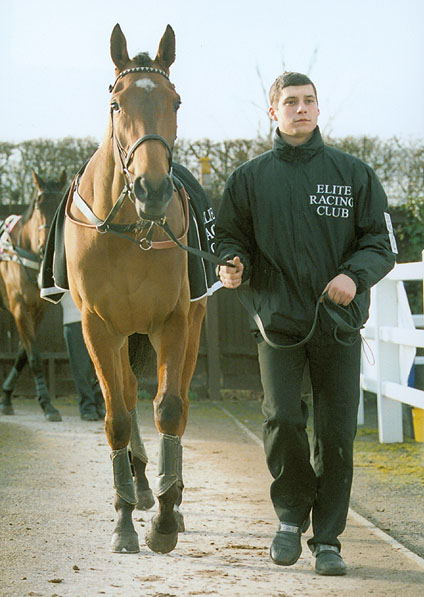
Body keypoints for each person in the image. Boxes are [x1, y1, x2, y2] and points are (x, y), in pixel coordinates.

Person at [215, 71, 397, 576]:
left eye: (309, 100)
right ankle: (291, 519)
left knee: (336, 433)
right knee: (283, 419)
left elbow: (381, 244)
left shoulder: (353, 174)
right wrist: (232, 263)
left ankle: (330, 538)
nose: (301, 108)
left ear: (319, 109)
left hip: (337, 323)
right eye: (290, 102)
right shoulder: (247, 179)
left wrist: (354, 278)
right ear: (272, 111)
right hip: (276, 323)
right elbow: (230, 237)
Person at [61, 291, 106, 421]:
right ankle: (87, 406)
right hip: (73, 318)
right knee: (81, 367)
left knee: (101, 365)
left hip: (98, 317)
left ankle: (99, 402)